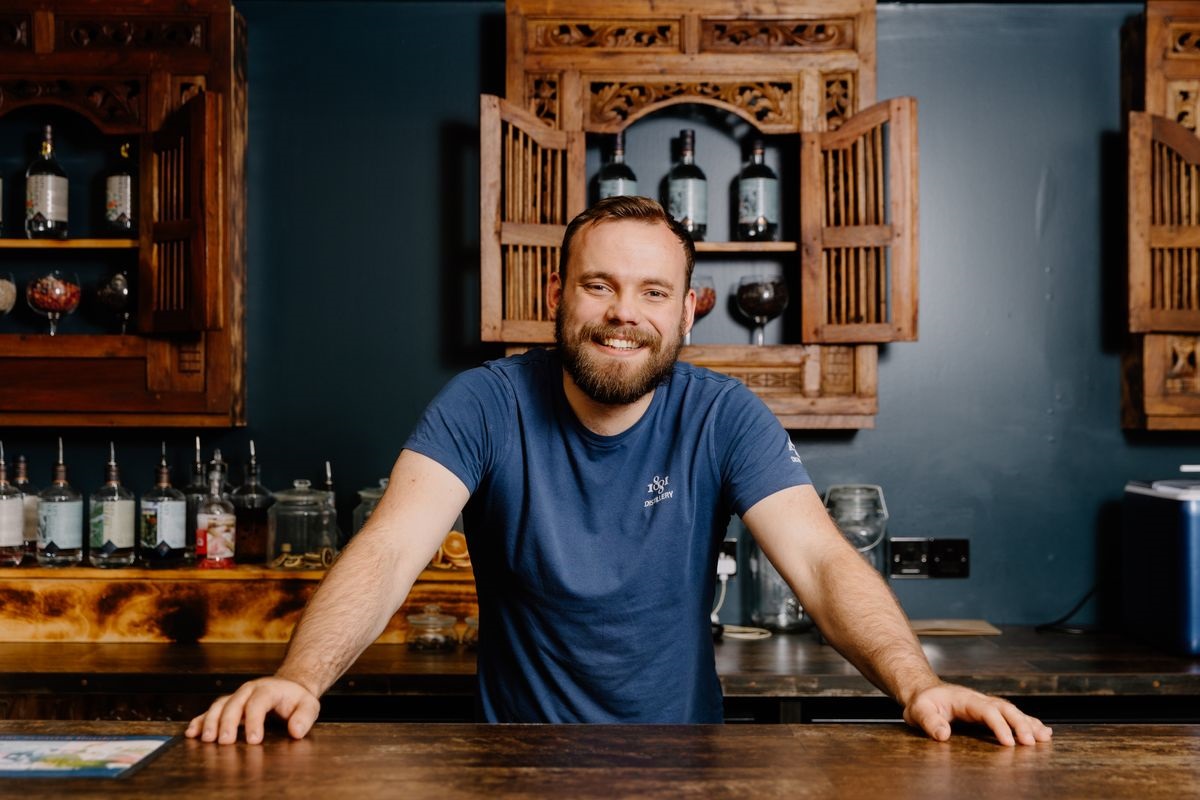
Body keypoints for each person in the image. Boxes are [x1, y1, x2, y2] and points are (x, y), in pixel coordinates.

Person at [186, 196, 1052, 746]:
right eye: (599, 286)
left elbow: (825, 566)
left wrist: (919, 684)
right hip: (512, 766)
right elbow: (387, 553)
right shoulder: (483, 405)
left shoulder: (724, 415)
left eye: (651, 292)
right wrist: (298, 679)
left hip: (684, 762)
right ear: (557, 293)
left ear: (687, 311)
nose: (622, 315)